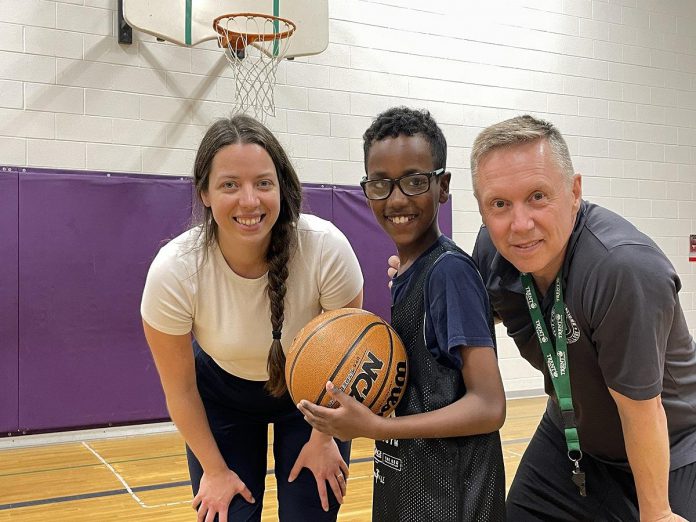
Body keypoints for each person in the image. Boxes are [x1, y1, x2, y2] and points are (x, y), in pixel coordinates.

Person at [469, 114, 696, 520]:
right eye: (499, 204)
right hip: (570, 437)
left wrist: (657, 513)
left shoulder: (622, 270)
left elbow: (641, 411)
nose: (520, 225)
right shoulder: (493, 249)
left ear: (574, 192)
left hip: (672, 446)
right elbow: (485, 314)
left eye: (538, 196)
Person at [140, 114, 364, 522]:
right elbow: (181, 391)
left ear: (281, 187)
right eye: (230, 184)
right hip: (222, 399)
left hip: (313, 397)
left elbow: (345, 358)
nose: (249, 200)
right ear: (204, 193)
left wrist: (324, 436)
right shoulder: (175, 270)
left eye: (263, 183)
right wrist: (213, 470)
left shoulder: (325, 249)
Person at [298, 107, 506, 521]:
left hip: (453, 499)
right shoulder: (412, 270)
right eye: (380, 183)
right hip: (410, 487)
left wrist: (377, 429)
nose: (396, 199)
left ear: (442, 186)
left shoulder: (449, 272)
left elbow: (490, 405)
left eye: (414, 181)